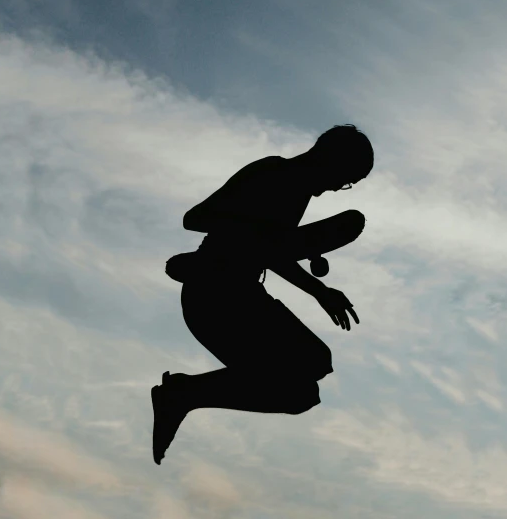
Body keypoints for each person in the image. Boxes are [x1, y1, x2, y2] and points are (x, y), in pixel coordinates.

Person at [152, 124, 374, 464]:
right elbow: (195, 218)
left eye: (346, 185)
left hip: (244, 294)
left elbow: (272, 253)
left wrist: (319, 290)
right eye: (343, 178)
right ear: (329, 158)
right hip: (214, 296)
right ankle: (182, 394)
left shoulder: (296, 192)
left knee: (301, 392)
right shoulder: (272, 172)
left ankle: (184, 394)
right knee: (312, 362)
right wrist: (257, 235)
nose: (334, 189)